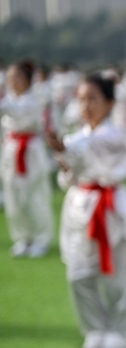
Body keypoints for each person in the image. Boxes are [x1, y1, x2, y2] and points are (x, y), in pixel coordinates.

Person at [46, 74, 126, 348]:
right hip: (79, 207)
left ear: (109, 103)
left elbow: (91, 151)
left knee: (117, 277)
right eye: (81, 99)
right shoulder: (76, 138)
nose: (85, 105)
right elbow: (68, 174)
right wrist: (65, 155)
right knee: (79, 274)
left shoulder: (116, 135)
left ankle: (125, 331)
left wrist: (65, 150)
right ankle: (96, 329)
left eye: (92, 99)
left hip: (111, 207)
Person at [1, 59, 54, 258]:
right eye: (9, 78)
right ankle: (23, 237)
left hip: (30, 149)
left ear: (27, 79)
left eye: (16, 77)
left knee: (34, 195)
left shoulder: (35, 98)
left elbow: (15, 110)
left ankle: (41, 238)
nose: (12, 81)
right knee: (13, 195)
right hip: (11, 149)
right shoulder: (9, 99)